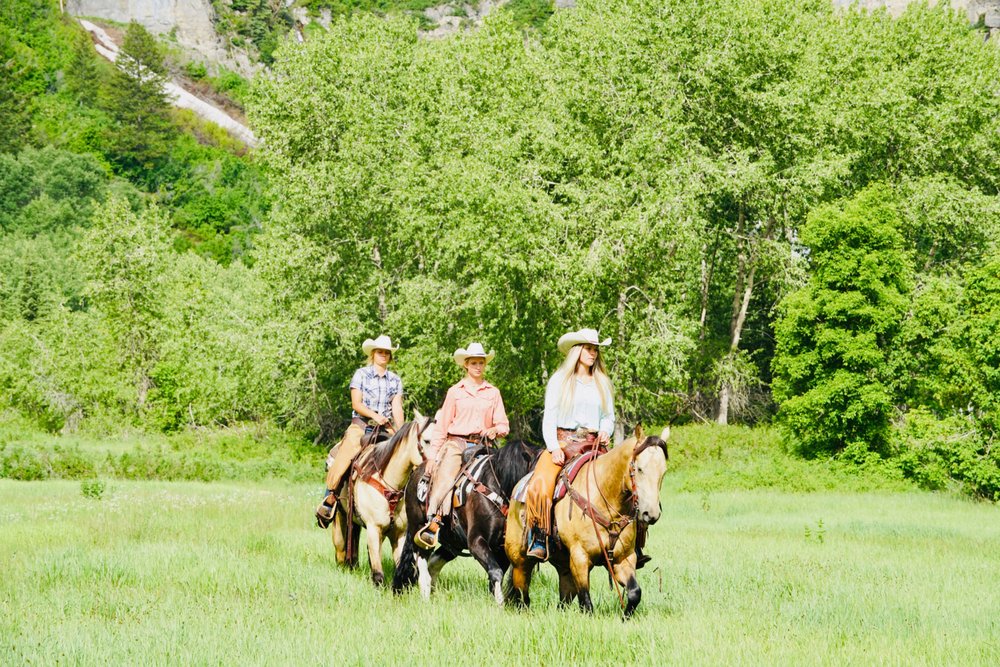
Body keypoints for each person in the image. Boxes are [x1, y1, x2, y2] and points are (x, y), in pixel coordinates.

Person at [524, 328, 615, 560]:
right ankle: (539, 535)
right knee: (540, 483)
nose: (593, 354)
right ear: (577, 351)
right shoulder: (559, 381)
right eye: (588, 349)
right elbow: (550, 418)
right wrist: (554, 448)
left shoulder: (602, 382)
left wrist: (606, 430)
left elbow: (608, 416)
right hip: (564, 442)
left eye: (595, 350)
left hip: (594, 444)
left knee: (626, 480)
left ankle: (630, 543)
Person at [415, 342, 509, 549]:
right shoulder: (455, 391)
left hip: (484, 445)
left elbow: (503, 424)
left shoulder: (493, 392)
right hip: (457, 443)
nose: (478, 366)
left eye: (481, 362)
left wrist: (495, 429)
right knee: (447, 477)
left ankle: (509, 525)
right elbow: (442, 426)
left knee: (503, 478)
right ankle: (434, 521)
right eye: (474, 362)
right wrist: (432, 456)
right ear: (466, 365)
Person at [315, 334, 404, 528]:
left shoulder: (395, 380)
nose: (384, 355)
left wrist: (401, 430)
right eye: (380, 352)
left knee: (405, 456)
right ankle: (329, 497)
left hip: (385, 427)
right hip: (362, 425)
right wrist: (374, 415)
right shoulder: (361, 374)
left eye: (387, 353)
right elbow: (357, 403)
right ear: (373, 354)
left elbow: (397, 407)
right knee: (345, 453)